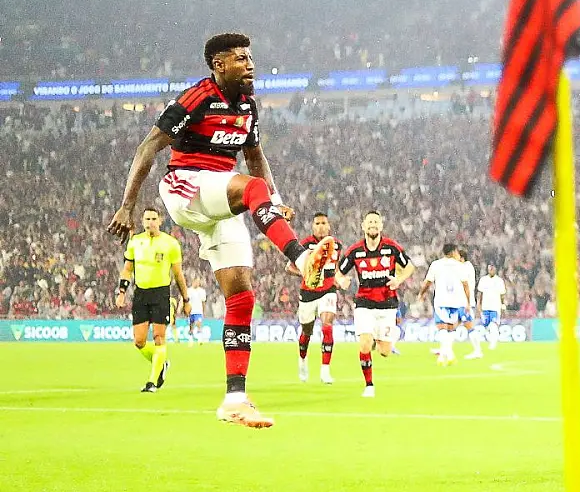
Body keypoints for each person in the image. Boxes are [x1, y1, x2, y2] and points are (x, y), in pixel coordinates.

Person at [106, 32, 336, 428]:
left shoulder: (247, 106)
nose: (250, 65)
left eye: (251, 58)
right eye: (241, 59)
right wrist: (127, 206)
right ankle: (300, 256)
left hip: (218, 200)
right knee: (250, 187)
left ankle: (234, 399)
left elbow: (255, 155)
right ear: (218, 65)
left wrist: (275, 198)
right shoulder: (196, 98)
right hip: (185, 186)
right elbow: (148, 147)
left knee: (241, 296)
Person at [335, 210, 415, 397]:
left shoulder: (391, 247)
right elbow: (339, 271)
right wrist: (342, 280)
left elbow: (410, 266)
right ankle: (369, 385)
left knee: (384, 352)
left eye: (376, 222)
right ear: (363, 226)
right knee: (364, 345)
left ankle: (387, 336)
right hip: (364, 303)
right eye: (369, 222)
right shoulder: (355, 250)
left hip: (387, 304)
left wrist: (399, 280)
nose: (372, 225)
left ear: (381, 226)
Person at [115, 208, 189, 393]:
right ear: (142, 221)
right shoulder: (135, 242)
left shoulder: (170, 244)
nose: (150, 222)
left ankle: (152, 382)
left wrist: (186, 299)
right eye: (147, 218)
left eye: (154, 218)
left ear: (160, 220)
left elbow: (178, 274)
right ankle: (162, 364)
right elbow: (127, 269)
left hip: (161, 294)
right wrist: (122, 292)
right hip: (141, 294)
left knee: (159, 337)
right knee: (139, 341)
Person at [296, 213, 343, 384]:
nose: (321, 226)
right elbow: (289, 267)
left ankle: (325, 370)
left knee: (327, 325)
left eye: (324, 223)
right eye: (317, 223)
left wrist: (340, 279)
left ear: (329, 225)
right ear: (312, 226)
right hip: (308, 293)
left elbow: (335, 269)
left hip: (328, 290)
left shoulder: (336, 245)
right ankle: (302, 359)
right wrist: (307, 273)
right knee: (306, 332)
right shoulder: (304, 245)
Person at [420, 244, 472, 366]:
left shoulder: (436, 264)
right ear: (453, 252)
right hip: (456, 301)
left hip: (441, 301)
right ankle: (448, 354)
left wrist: (421, 294)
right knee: (451, 328)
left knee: (442, 327)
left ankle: (444, 355)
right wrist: (468, 302)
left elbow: (428, 282)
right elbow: (466, 285)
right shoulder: (460, 266)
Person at [477, 264, 507, 350]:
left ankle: (493, 343)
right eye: (490, 268)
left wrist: (502, 305)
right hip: (485, 306)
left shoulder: (499, 281)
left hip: (495, 307)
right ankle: (490, 340)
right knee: (487, 325)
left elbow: (502, 295)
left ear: (495, 269)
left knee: (494, 324)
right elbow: (480, 294)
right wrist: (479, 305)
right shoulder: (483, 280)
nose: (491, 270)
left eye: (493, 268)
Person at [187, 279, 208, 346]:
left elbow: (203, 302)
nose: (197, 283)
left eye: (198, 282)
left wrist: (203, 311)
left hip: (198, 311)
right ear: (193, 282)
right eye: (196, 282)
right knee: (191, 326)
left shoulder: (202, 291)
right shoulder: (189, 291)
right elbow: (185, 301)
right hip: (190, 311)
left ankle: (200, 340)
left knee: (198, 324)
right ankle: (190, 340)